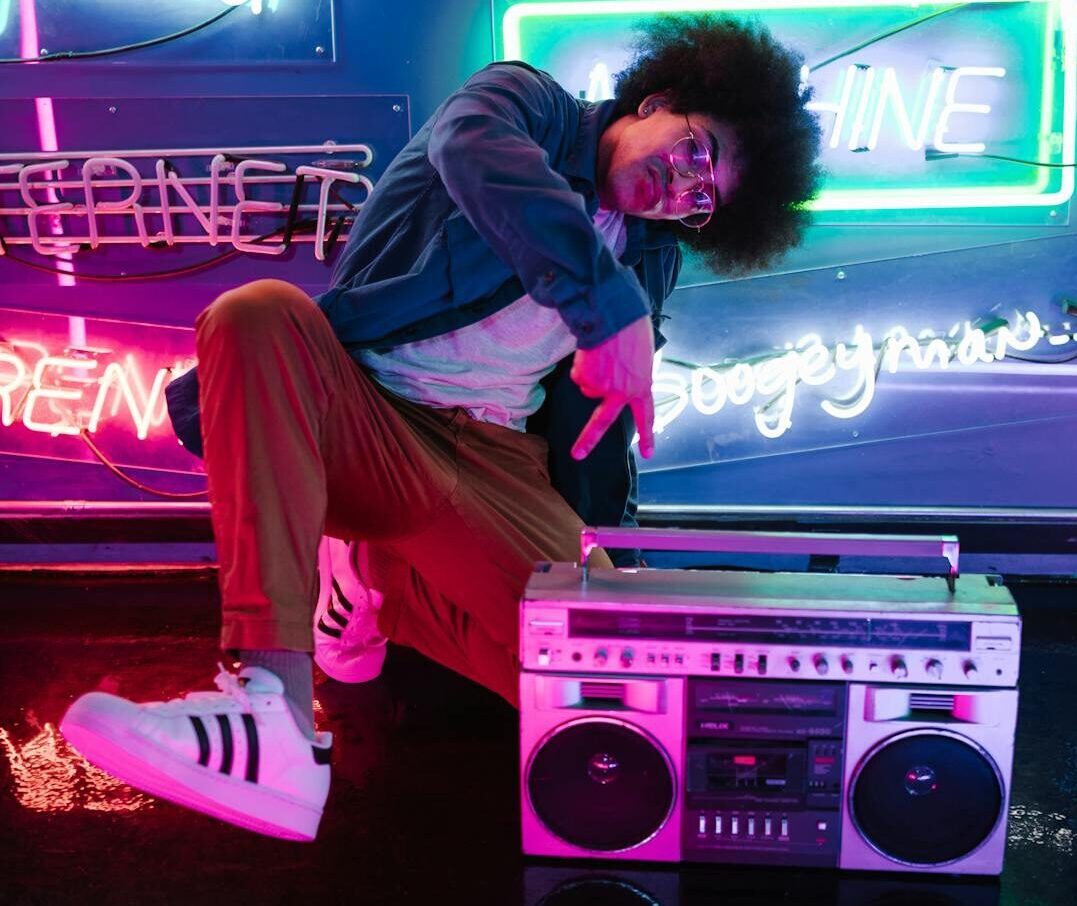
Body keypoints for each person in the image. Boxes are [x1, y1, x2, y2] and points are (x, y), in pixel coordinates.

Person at [60, 15, 822, 841]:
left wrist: (614, 563)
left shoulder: (651, 255)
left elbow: (600, 437)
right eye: (696, 149)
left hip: (498, 462)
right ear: (658, 100)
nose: (682, 186)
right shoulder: (523, 102)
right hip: (367, 414)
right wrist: (610, 309)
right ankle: (268, 713)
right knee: (257, 315)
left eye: (704, 197)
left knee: (608, 689)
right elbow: (475, 156)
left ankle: (372, 585)